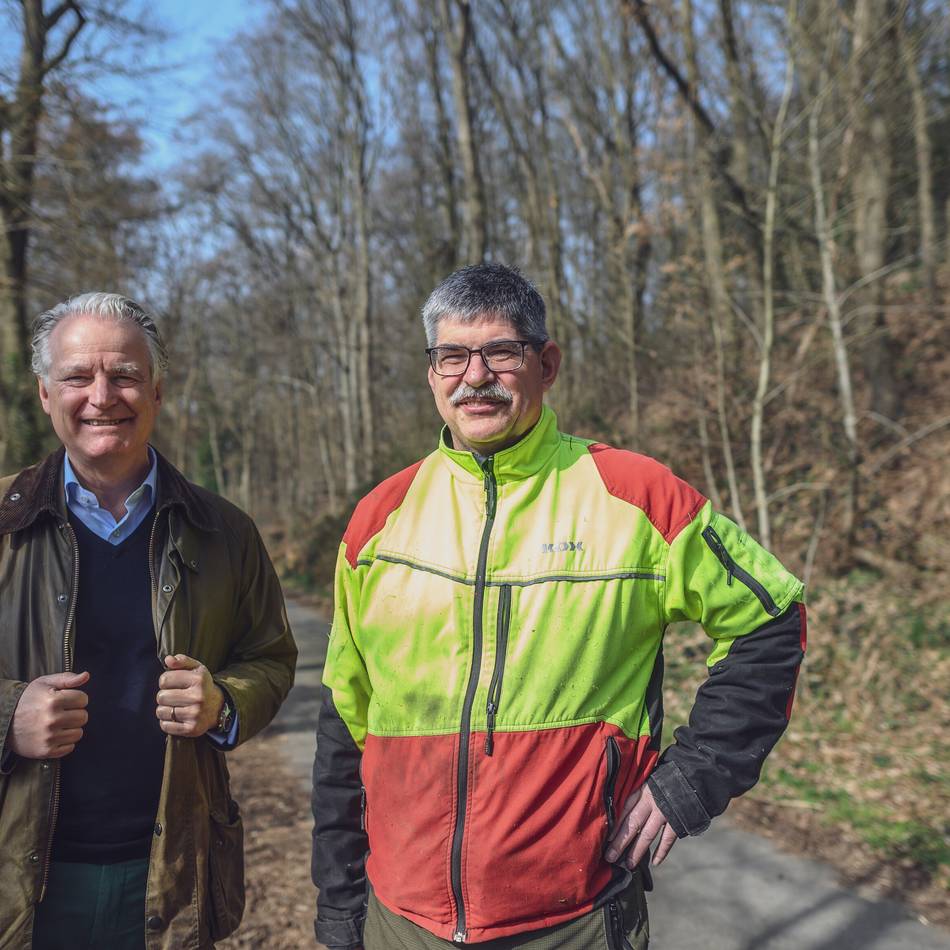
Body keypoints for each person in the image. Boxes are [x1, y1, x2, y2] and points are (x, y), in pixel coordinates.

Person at [311, 264, 806, 950]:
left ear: (547, 365)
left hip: (572, 919)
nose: (474, 376)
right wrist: (339, 906)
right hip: (401, 919)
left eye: (500, 353)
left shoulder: (637, 496)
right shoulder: (378, 519)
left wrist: (691, 781)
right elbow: (344, 726)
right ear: (432, 375)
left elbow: (771, 617)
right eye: (452, 355)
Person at [0, 293, 297, 949]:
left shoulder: (225, 532)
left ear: (158, 390)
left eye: (125, 375)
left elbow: (271, 659)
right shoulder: (5, 523)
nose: (102, 395)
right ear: (46, 393)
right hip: (19, 880)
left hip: (172, 875)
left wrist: (223, 701)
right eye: (79, 376)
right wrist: (7, 717)